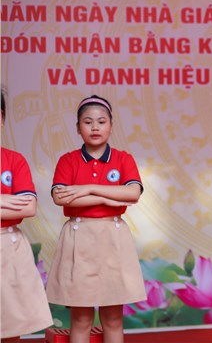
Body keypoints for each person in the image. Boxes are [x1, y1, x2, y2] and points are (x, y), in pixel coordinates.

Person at [45, 95, 146, 343]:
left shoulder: (123, 159)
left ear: (111, 125)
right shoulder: (67, 160)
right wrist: (111, 196)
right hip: (79, 238)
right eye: (87, 122)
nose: (95, 127)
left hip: (113, 238)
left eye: (101, 121)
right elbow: (61, 198)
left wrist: (87, 188)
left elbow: (133, 194)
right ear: (77, 128)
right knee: (81, 319)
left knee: (113, 318)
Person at [1, 90, 53, 342]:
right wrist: (4, 200)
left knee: (11, 326)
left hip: (8, 248)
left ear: (1, 118)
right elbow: (16, 205)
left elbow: (28, 207)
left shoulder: (14, 160)